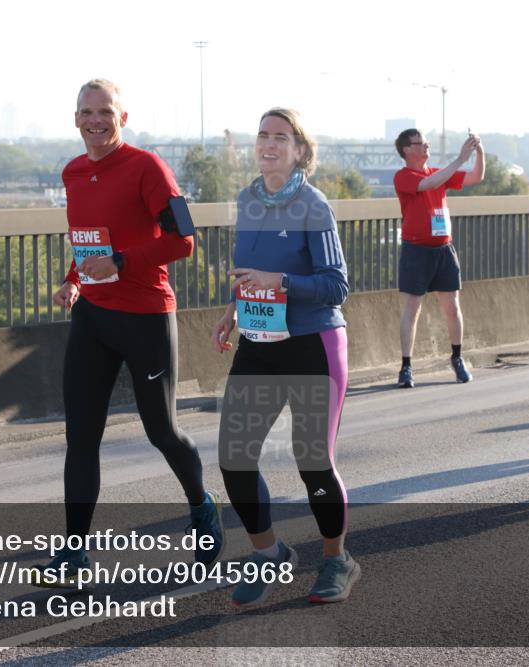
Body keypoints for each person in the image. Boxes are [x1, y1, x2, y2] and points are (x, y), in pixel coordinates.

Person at [40, 79, 224, 585]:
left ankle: (202, 508)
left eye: (104, 112)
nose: (94, 120)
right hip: (93, 318)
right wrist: (73, 280)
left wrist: (121, 261)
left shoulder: (149, 168)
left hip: (146, 316)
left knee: (160, 430)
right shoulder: (73, 172)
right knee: (81, 437)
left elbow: (185, 240)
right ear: (74, 118)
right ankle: (74, 554)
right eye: (86, 112)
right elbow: (89, 241)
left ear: (123, 117)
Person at [211, 108, 358, 606]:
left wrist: (283, 285)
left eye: (281, 137)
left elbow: (337, 284)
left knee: (313, 460)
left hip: (312, 342)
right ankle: (268, 554)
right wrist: (233, 308)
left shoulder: (314, 205)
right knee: (234, 456)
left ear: (299, 150)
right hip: (259, 340)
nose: (268, 144)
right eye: (263, 136)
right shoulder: (248, 199)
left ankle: (337, 559)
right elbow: (251, 271)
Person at [392, 129, 485, 387]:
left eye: (425, 142)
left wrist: (478, 151)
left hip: (443, 249)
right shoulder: (403, 176)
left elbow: (477, 176)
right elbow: (428, 185)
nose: (425, 146)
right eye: (419, 143)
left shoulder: (438, 173)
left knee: (452, 308)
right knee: (412, 308)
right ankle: (406, 367)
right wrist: (459, 158)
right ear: (406, 150)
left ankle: (457, 357)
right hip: (416, 250)